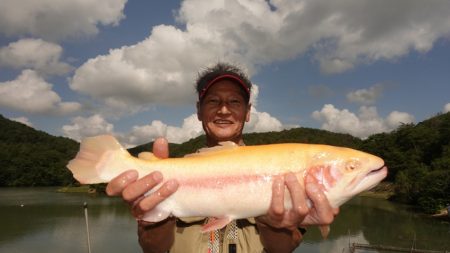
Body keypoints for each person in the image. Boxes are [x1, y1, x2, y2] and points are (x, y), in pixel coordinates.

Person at [105, 62, 339, 253]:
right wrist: (152, 216)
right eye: (213, 101)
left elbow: (283, 249)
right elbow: (153, 249)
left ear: (247, 113)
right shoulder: (170, 173)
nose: (224, 110)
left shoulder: (278, 170)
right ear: (199, 110)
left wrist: (272, 221)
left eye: (234, 102)